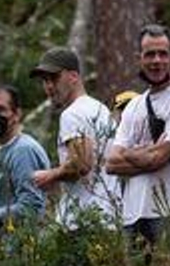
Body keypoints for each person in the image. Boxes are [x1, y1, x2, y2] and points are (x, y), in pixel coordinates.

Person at [105, 25, 170, 246]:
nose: (156, 61)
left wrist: (136, 154)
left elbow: (157, 159)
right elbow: (111, 163)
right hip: (132, 216)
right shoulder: (133, 106)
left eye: (162, 54)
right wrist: (150, 153)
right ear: (138, 58)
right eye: (150, 54)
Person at [30, 46, 119, 229]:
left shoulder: (73, 114)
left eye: (54, 78)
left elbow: (81, 164)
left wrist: (50, 175)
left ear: (74, 76)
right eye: (44, 80)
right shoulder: (100, 109)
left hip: (83, 222)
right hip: (110, 218)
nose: (48, 86)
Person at [0, 83, 50, 229]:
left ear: (16, 114)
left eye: (0, 109)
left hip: (22, 247)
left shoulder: (23, 150)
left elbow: (31, 208)